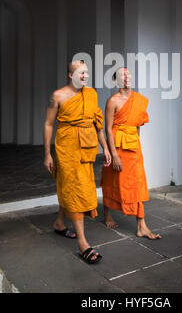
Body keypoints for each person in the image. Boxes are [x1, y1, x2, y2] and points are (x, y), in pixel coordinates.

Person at [43, 60, 111, 263]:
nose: (85, 76)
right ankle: (83, 243)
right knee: (74, 189)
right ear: (70, 75)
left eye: (86, 73)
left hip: (87, 147)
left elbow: (98, 124)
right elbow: (48, 124)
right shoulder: (58, 96)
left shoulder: (91, 94)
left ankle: (59, 223)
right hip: (66, 148)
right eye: (81, 73)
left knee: (73, 187)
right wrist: (47, 154)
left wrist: (106, 148)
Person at [101, 67, 161, 240]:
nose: (126, 77)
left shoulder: (139, 100)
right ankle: (107, 214)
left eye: (128, 74)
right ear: (116, 81)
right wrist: (114, 154)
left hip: (133, 148)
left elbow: (137, 127)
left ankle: (142, 225)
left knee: (137, 184)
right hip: (117, 148)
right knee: (111, 179)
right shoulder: (112, 101)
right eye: (122, 75)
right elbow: (109, 130)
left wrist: (136, 145)